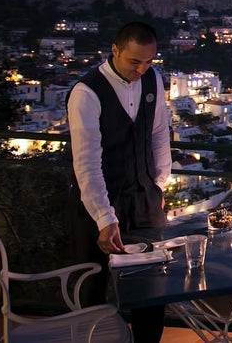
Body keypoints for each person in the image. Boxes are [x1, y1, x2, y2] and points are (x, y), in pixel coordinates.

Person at [68, 21, 172, 343]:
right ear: (115, 50)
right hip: (97, 202)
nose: (142, 69)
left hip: (143, 201)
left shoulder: (153, 79)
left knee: (152, 292)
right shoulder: (86, 93)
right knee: (92, 289)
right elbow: (87, 162)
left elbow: (158, 134)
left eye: (148, 61)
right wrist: (104, 217)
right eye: (134, 61)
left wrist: (158, 186)